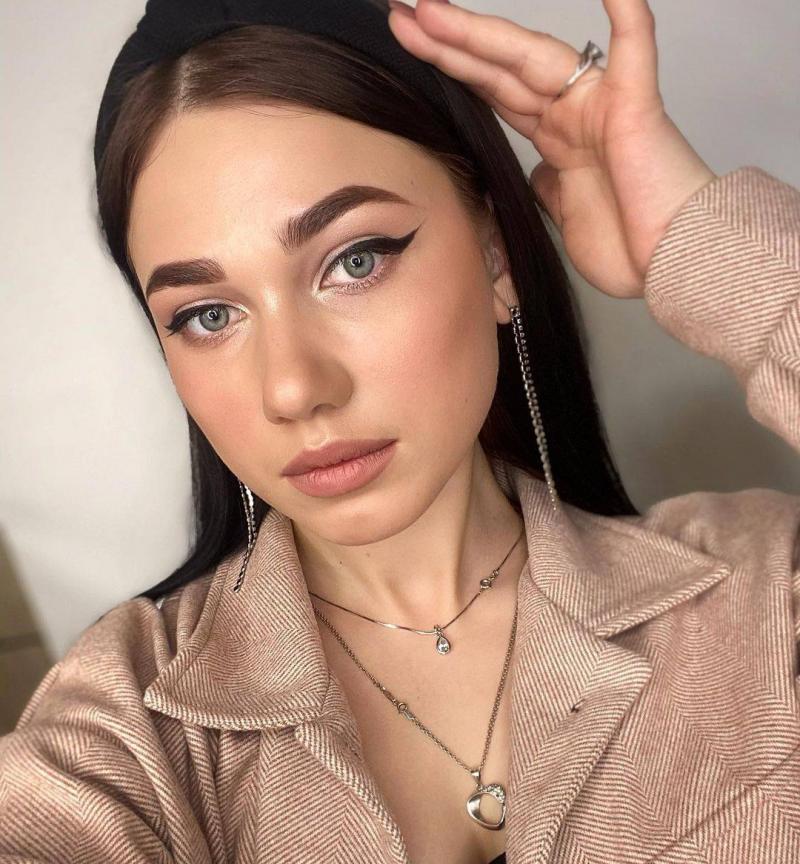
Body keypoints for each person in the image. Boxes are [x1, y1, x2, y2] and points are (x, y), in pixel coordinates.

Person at [1, 0, 798, 862]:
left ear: (496, 256)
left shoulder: (757, 597)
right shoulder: (124, 737)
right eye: (208, 315)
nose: (294, 388)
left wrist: (700, 238)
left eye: (355, 261)